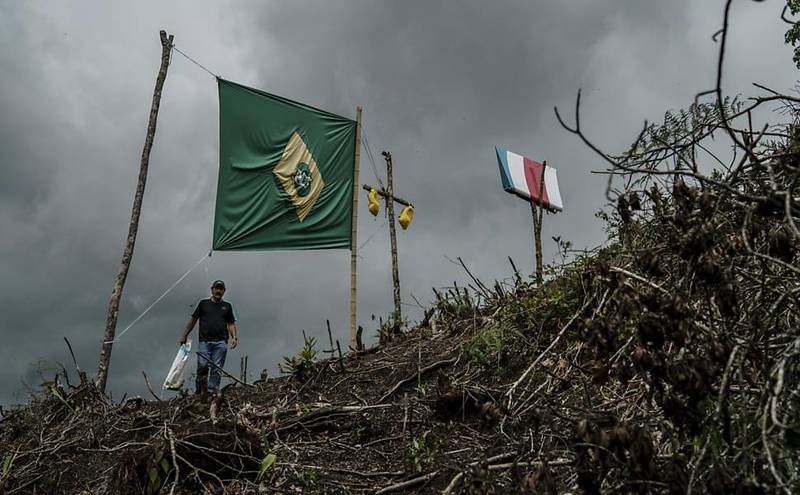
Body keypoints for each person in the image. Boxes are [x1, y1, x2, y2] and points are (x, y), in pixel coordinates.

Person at [179, 280, 238, 395]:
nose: (218, 291)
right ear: (212, 289)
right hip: (204, 341)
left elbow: (231, 323)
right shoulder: (203, 304)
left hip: (221, 342)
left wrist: (234, 337)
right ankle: (200, 390)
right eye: (217, 288)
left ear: (224, 291)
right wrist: (184, 335)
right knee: (203, 366)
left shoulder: (227, 306)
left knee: (217, 368)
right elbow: (193, 320)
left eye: (221, 289)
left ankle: (212, 392)